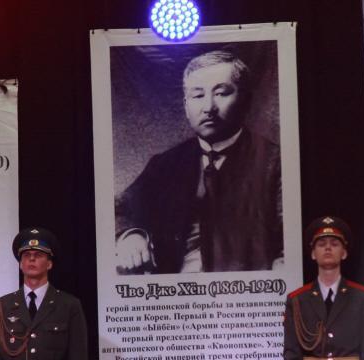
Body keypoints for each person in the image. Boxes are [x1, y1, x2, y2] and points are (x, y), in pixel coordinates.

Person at [114, 50, 283, 274]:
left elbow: (289, 235)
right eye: (197, 95)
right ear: (185, 105)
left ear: (245, 99)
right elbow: (120, 210)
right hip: (173, 297)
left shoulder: (274, 162)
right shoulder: (165, 164)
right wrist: (131, 235)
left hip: (241, 297)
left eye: (221, 93)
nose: (208, 107)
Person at [283, 216, 364, 359]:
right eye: (321, 244)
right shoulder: (297, 300)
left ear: (344, 253)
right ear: (313, 254)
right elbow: (291, 354)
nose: (328, 248)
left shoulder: (363, 298)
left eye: (335, 244)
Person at [0, 227, 88, 359]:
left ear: (49, 264)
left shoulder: (68, 305)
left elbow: (78, 355)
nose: (32, 259)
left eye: (38, 255)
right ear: (21, 264)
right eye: (27, 255)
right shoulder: (2, 305)